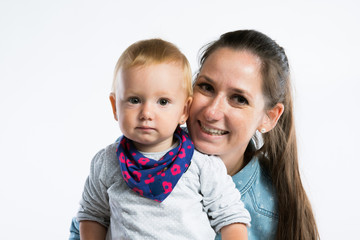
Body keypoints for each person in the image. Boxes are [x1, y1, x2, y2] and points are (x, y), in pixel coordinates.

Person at [75, 38, 251, 240]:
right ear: (115, 106)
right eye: (134, 100)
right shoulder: (106, 162)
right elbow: (92, 215)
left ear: (184, 110)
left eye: (163, 102)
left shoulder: (202, 164)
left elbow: (231, 218)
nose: (147, 113)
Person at [186, 30, 319, 239]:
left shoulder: (272, 214)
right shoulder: (133, 156)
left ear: (269, 117)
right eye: (206, 87)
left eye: (239, 99)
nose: (212, 112)